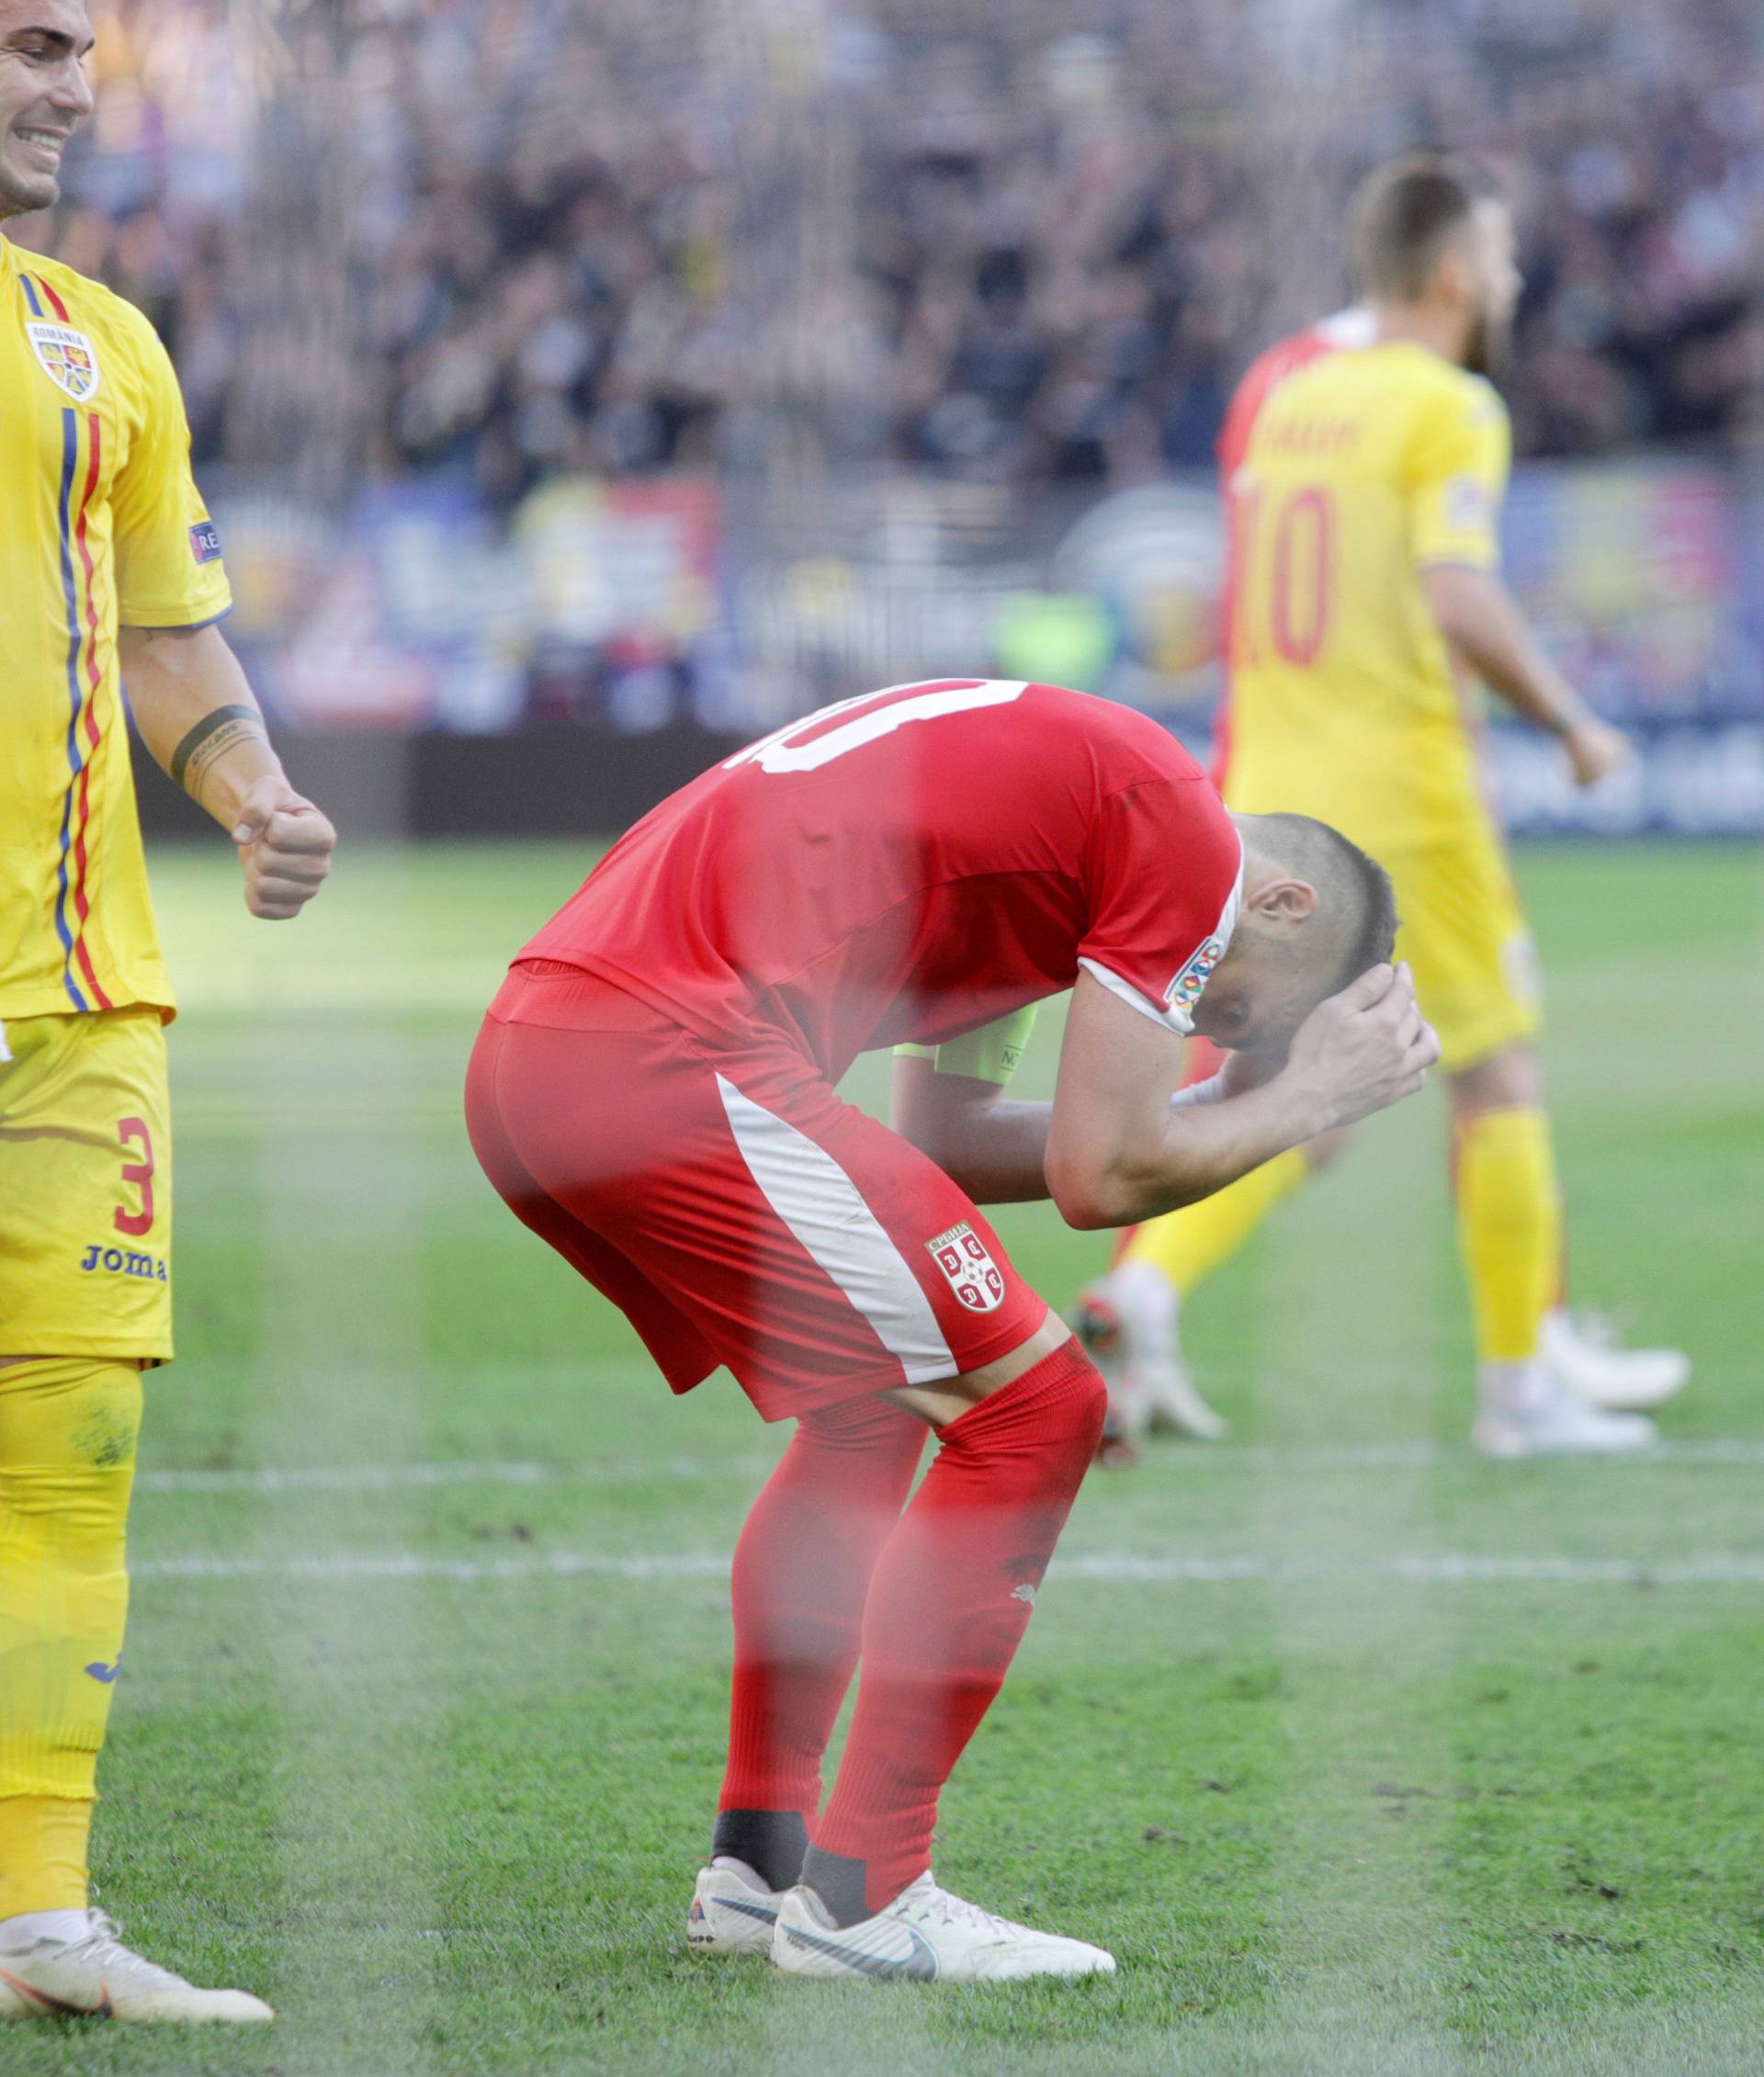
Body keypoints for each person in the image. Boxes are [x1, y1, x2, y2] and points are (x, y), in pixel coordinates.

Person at [467, 677, 1437, 1981]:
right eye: (1234, 1011)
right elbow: (1105, 1177)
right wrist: (1302, 1096)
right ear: (1281, 903)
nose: (1207, 1027)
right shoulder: (1187, 843)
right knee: (1044, 1405)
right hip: (666, 1052)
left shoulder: (1069, 851)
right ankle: (866, 1896)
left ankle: (763, 1867)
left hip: (553, 1050)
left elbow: (946, 1140)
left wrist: (1230, 1105)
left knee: (878, 1398)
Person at [1075, 151, 1687, 1463]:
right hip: (1398, 791)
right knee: (1496, 1069)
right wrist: (1575, 726)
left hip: (1273, 791)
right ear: (1457, 272)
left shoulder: (1293, 398)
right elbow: (1457, 594)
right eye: (1506, 257)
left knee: (1296, 1089)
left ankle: (1139, 1288)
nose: (1514, 278)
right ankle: (1524, 1389)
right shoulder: (1448, 403)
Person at [0, 0, 336, 2024]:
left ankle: (40, 1919)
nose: (68, 86)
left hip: (73, 996)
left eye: (75, 54)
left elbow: (168, 631)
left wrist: (253, 791)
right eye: (30, 47)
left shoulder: (101, 341)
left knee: (78, 1447)